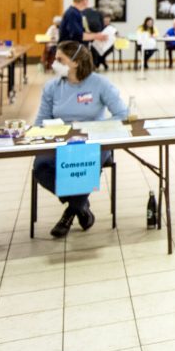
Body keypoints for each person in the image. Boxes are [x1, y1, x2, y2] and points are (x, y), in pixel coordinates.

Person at [33, 41, 127, 238]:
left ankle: (69, 213)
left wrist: (96, 129)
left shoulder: (99, 83)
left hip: (94, 142)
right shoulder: (52, 87)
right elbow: (41, 121)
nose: (54, 63)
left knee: (84, 165)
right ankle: (80, 206)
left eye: (60, 60)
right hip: (61, 141)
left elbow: (121, 114)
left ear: (75, 62)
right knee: (41, 166)